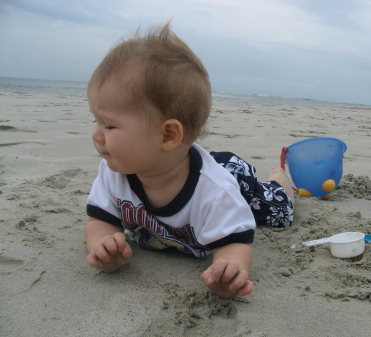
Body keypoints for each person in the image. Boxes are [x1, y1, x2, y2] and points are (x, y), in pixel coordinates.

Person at [84, 22, 294, 298]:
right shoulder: (114, 172)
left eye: (109, 126)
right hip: (185, 161)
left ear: (169, 134)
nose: (96, 135)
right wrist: (102, 243)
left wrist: (230, 269)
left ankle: (280, 179)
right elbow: (99, 221)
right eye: (95, 120)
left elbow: (234, 245)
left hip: (232, 177)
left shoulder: (217, 194)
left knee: (278, 211)